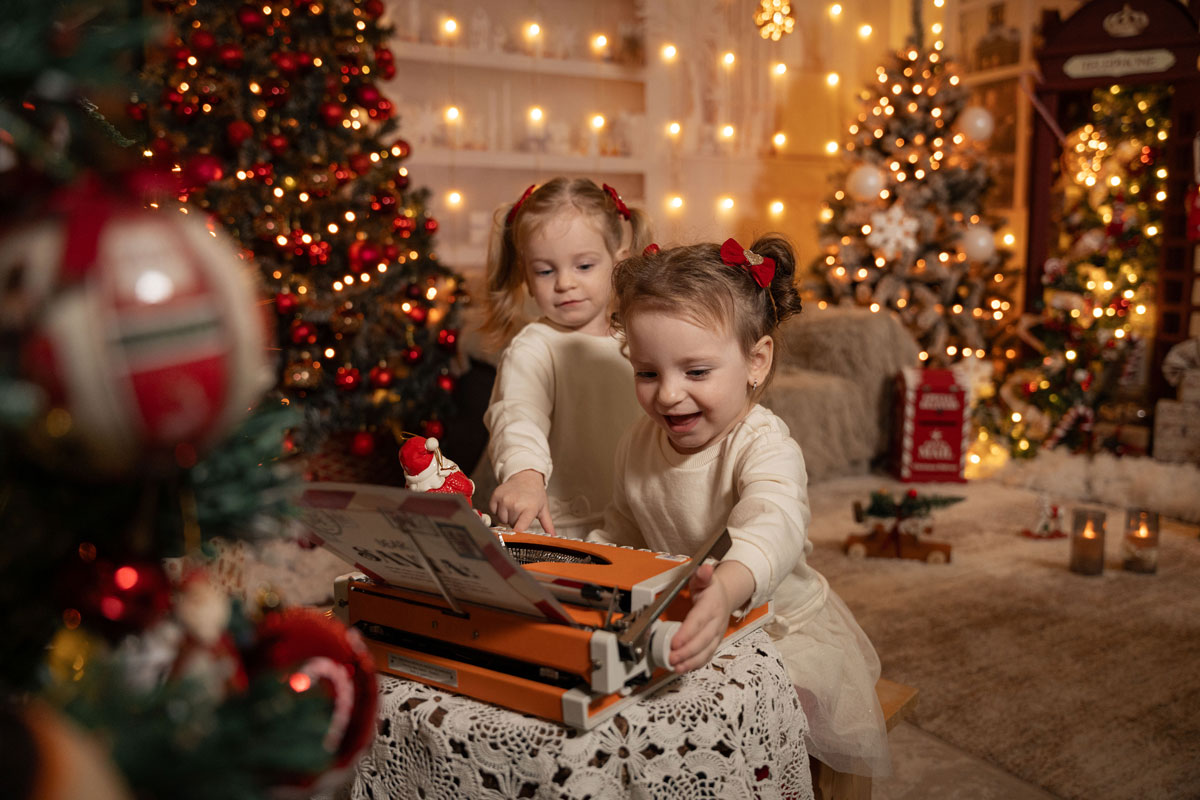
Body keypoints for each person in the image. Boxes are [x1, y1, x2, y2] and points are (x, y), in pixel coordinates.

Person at [588, 234, 891, 778]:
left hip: (776, 624)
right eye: (647, 372)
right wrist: (582, 563)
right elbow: (621, 529)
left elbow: (772, 524)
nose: (668, 395)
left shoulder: (764, 444)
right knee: (625, 720)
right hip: (682, 616)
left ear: (756, 361)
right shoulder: (636, 444)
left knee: (748, 733)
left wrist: (727, 587)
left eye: (696, 372)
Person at [480, 177, 653, 538]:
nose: (564, 283)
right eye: (546, 270)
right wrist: (525, 475)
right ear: (526, 278)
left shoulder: (643, 337)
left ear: (618, 262)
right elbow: (517, 416)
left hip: (643, 520)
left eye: (584, 266)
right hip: (561, 523)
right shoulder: (535, 348)